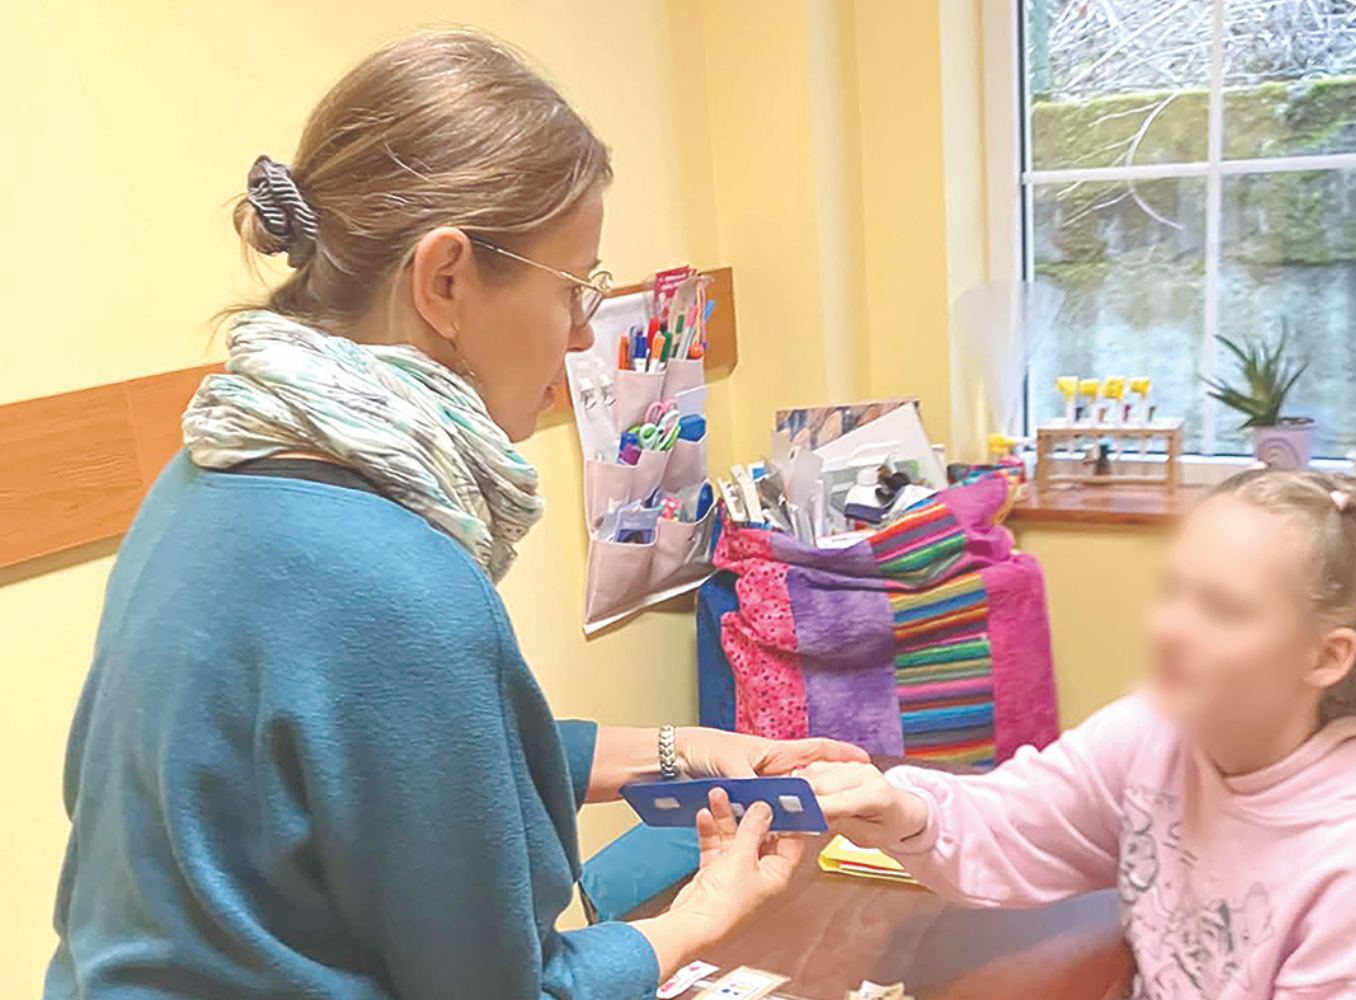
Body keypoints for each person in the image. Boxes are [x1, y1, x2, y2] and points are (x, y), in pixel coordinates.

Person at [44, 30, 865, 1000]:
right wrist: (700, 918)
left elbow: (398, 762)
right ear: (446, 280)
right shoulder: (398, 582)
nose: (579, 336)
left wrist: (682, 751)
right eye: (575, 290)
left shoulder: (206, 476)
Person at [805, 469, 1356, 999]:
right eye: (1175, 590)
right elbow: (1017, 819)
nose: (1170, 627)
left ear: (1325, 657)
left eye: (1223, 609)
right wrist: (903, 808)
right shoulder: (1155, 731)